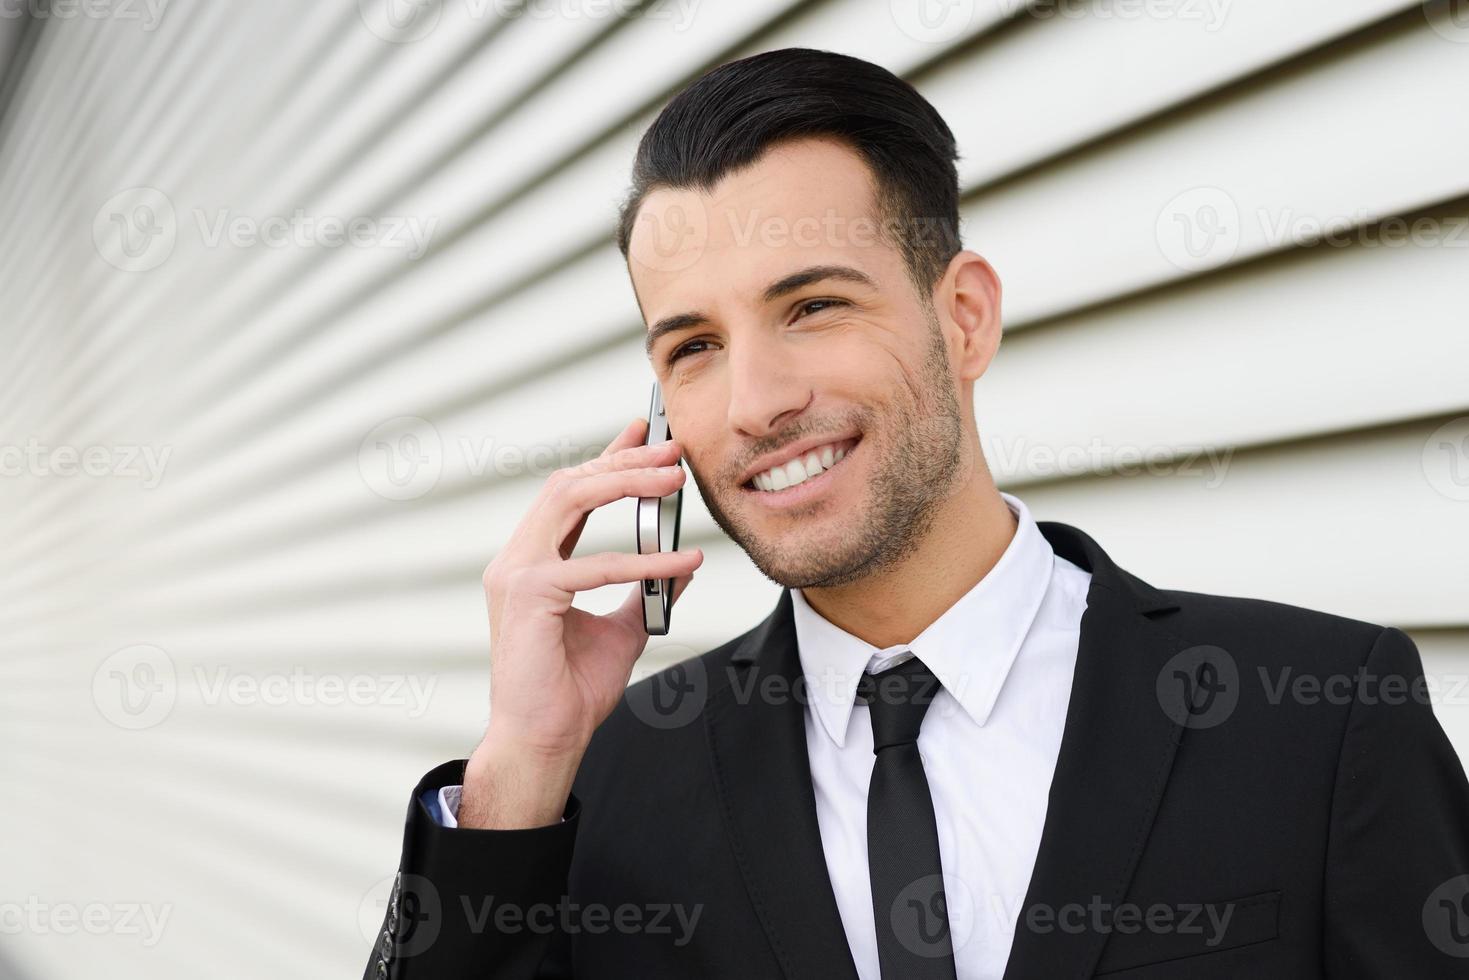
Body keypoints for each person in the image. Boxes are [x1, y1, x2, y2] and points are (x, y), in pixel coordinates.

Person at [363, 47, 1469, 980]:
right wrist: (520, 769)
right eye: (693, 347)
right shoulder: (597, 787)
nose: (754, 404)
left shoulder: (1320, 718)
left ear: (964, 317)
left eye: (813, 305)